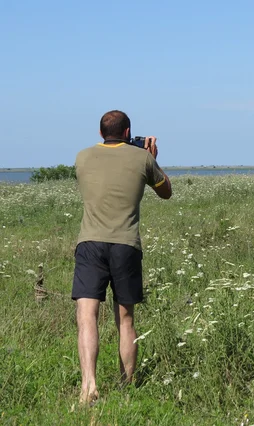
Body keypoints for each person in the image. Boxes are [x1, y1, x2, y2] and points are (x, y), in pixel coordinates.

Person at [72, 110, 172, 405]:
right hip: (126, 244)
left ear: (101, 132)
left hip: (90, 243)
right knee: (125, 319)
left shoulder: (82, 157)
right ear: (128, 132)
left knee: (86, 315)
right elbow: (165, 192)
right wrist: (152, 158)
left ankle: (88, 386)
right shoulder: (142, 158)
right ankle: (127, 385)